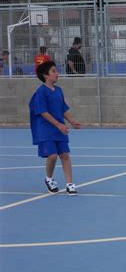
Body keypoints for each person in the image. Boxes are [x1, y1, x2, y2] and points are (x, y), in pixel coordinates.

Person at [29, 61, 81, 195]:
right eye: (54, 71)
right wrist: (58, 125)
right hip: (46, 128)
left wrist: (72, 121)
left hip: (60, 128)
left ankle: (70, 184)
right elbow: (42, 111)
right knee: (52, 156)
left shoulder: (58, 91)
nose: (57, 73)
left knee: (64, 155)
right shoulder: (41, 92)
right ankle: (49, 179)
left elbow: (63, 108)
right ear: (45, 75)